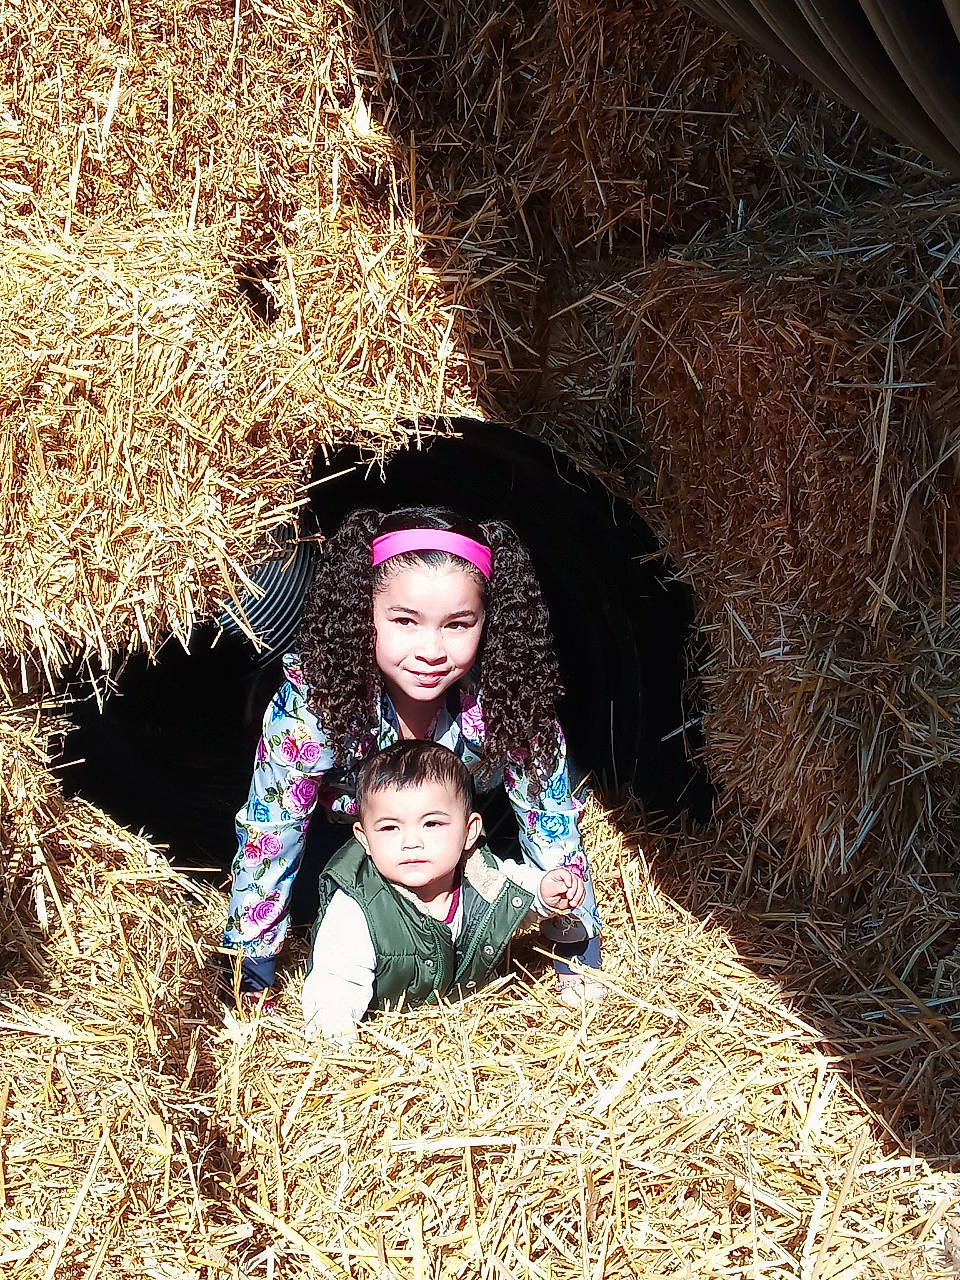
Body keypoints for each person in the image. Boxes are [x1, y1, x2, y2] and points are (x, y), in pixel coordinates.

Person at [223, 504, 602, 1002]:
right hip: (342, 844)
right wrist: (253, 967)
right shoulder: (314, 703)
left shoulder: (508, 699)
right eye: (405, 620)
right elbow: (272, 829)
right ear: (366, 615)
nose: (431, 650)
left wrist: (575, 950)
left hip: (452, 845)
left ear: (487, 623)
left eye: (457, 624)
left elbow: (548, 818)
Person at [301, 740, 586, 1042]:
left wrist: (544, 893)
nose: (411, 842)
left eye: (432, 823)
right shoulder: (358, 909)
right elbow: (335, 987)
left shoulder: (480, 874)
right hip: (394, 1042)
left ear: (469, 831)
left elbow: (511, 894)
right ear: (365, 838)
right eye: (389, 828)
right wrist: (336, 1044)